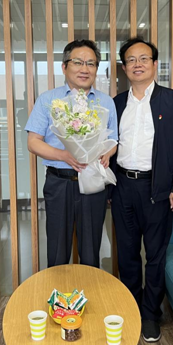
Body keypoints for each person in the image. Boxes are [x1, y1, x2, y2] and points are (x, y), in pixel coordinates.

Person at [109, 37, 173, 342]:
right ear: (124, 67)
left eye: (144, 58)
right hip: (122, 186)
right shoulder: (116, 103)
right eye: (131, 60)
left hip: (157, 188)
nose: (138, 64)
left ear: (154, 64)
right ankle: (131, 307)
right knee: (127, 254)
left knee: (155, 255)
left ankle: (150, 315)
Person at [26, 39, 118, 268]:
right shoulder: (48, 100)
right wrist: (64, 155)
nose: (85, 69)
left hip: (93, 182)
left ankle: (90, 291)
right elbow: (33, 143)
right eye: (78, 62)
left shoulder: (106, 102)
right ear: (64, 67)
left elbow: (113, 140)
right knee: (57, 250)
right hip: (59, 182)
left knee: (91, 250)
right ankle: (57, 291)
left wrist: (107, 153)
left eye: (91, 63)